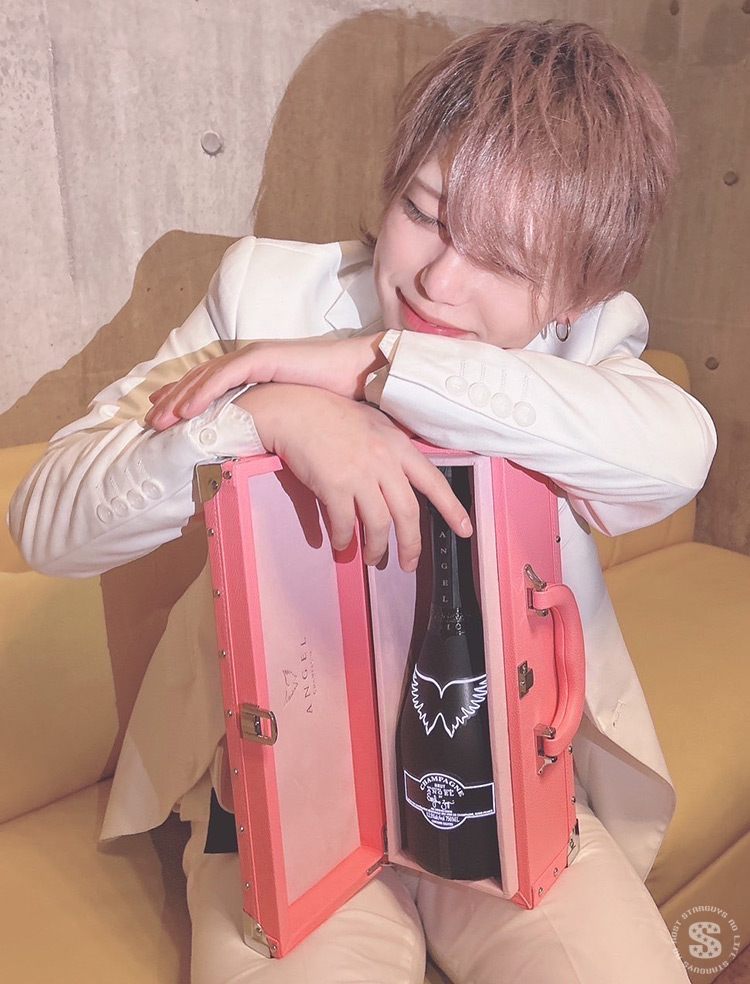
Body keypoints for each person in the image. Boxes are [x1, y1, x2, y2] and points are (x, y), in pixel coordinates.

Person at [9, 19, 715, 984]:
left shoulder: (587, 345)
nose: (436, 280)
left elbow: (679, 457)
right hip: (284, 801)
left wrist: (378, 366)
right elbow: (45, 522)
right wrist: (261, 413)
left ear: (574, 294)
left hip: (506, 790)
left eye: (506, 261)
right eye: (424, 212)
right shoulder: (267, 296)